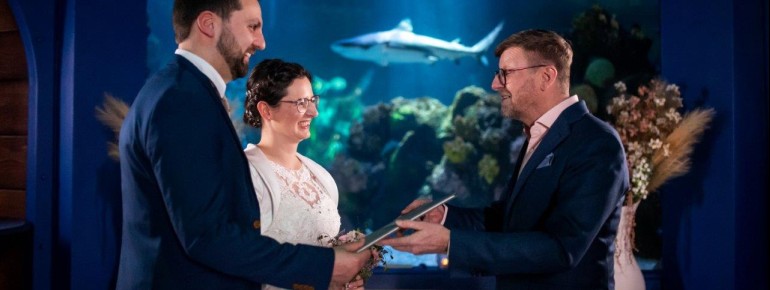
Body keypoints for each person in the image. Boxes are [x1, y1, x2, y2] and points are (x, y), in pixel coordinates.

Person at [117, 1, 369, 289]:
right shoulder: (182, 99)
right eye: (252, 27)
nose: (261, 43)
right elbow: (207, 236)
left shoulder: (180, 90)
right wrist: (324, 267)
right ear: (209, 24)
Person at [380, 29, 629, 289]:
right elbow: (509, 220)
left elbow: (561, 248)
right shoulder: (539, 135)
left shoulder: (597, 142)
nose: (495, 84)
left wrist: (451, 242)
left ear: (546, 77)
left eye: (506, 73)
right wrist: (444, 217)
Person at [242, 59, 367, 290]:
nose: (314, 112)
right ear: (266, 110)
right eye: (300, 103)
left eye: (312, 101)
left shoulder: (321, 177)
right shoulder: (244, 171)